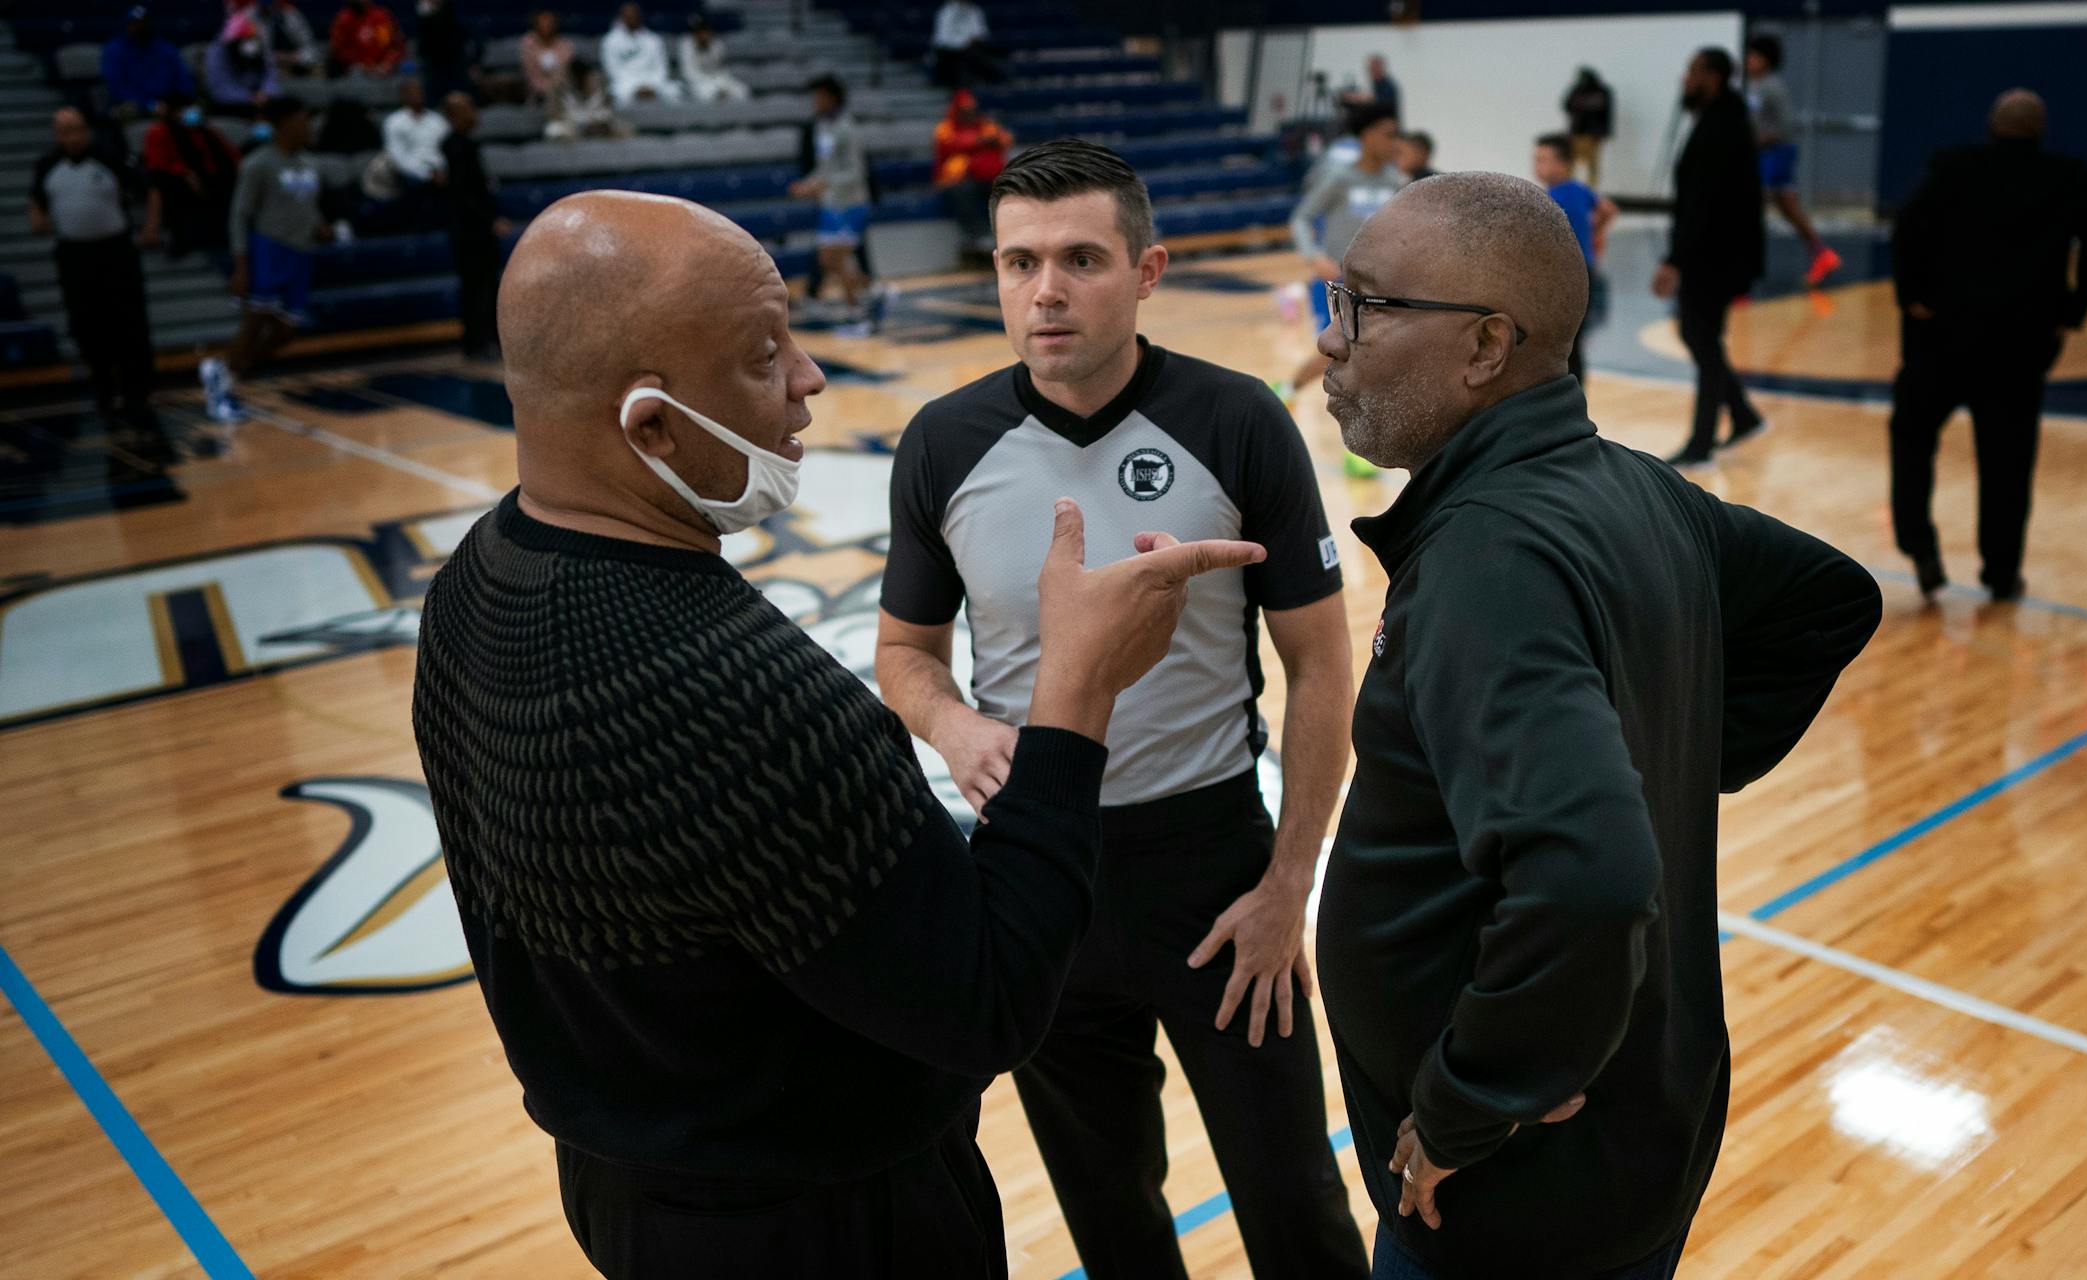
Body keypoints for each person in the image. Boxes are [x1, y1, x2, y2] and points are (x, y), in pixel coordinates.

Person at [409, 187, 1264, 1278]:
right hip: (830, 1222)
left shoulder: (474, 580)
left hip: (624, 1184)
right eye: (766, 357)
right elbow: (990, 1000)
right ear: (652, 423)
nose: (810, 381)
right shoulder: (748, 703)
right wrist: (1076, 692)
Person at [1310, 171, 1881, 1280]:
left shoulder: (1491, 559)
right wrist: (1667, 750)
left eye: (1366, 306)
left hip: (1512, 1194)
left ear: (1485, 346)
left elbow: (1590, 874)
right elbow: (1828, 596)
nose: (1333, 341)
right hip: (1638, 1133)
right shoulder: (1634, 485)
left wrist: (1474, 1100)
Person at [876, 137, 1367, 1280]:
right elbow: (905, 651)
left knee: (1296, 1200)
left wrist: (1289, 882)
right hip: (1037, 871)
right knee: (1110, 1210)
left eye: (1081, 258)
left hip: (1217, 866)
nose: (1045, 290)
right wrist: (953, 726)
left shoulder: (1238, 418)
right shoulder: (944, 442)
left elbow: (1324, 667)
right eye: (1018, 262)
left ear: (1148, 271)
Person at [1888, 88, 2087, 604]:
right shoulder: (2069, 177)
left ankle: (1920, 548)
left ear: (1992, 124)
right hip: (2019, 346)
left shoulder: (1952, 166)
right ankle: (2001, 573)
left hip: (1940, 337)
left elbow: (1908, 226)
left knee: (1912, 439)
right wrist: (2070, 315)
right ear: (2040, 131)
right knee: (2008, 464)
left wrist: (1913, 297)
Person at [27, 107, 165, 458]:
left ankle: (138, 394)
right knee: (87, 327)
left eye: (76, 129)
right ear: (56, 135)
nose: (71, 137)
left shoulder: (109, 158)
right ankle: (105, 393)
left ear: (86, 129)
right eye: (64, 131)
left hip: (116, 252)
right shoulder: (47, 165)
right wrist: (38, 218)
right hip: (74, 256)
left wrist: (150, 228)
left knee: (130, 324)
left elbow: (150, 190)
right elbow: (35, 200)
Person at [1654, 47, 1766, 470]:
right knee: (1701, 337)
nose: (1685, 79)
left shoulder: (1720, 127)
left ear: (1713, 77)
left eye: (1692, 71)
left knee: (1701, 338)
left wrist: (1675, 260)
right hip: (1719, 253)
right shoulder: (1724, 118)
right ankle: (1742, 414)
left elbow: (1704, 203)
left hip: (1714, 255)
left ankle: (1701, 444)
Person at [201, 96, 329, 424]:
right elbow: (239, 215)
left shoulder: (310, 164)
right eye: (304, 119)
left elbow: (309, 207)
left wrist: (320, 226)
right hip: (269, 250)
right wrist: (241, 265)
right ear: (285, 124)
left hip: (301, 254)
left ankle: (226, 369)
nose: (309, 127)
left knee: (287, 330)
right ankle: (223, 386)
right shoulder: (258, 163)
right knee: (255, 320)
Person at [1278, 101, 1405, 421]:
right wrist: (1313, 256)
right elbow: (1300, 219)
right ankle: (1288, 389)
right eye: (1388, 135)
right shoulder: (1338, 178)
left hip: (1377, 286)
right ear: (1367, 136)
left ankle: (1360, 433)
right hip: (1335, 284)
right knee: (1337, 353)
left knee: (1365, 355)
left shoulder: (1396, 182)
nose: (1395, 143)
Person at [789, 74, 885, 335]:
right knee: (828, 260)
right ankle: (875, 294)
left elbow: (855, 171)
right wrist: (808, 184)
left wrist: (825, 184)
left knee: (838, 259)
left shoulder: (847, 128)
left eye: (819, 96)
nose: (814, 101)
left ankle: (860, 313)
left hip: (850, 203)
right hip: (832, 204)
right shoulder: (822, 127)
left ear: (832, 98)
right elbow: (825, 168)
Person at [1745, 34, 1839, 287]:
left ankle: (1744, 263)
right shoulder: (1755, 86)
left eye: (1753, 56)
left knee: (1751, 206)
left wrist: (1760, 140)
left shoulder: (1771, 87)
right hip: (1771, 153)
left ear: (1766, 60)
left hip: (1776, 153)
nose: (1748, 61)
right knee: (1788, 208)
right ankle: (1822, 253)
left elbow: (1786, 125)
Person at [1533, 133, 1615, 382]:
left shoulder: (1552, 198)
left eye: (1543, 159)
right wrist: (1594, 233)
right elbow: (1608, 210)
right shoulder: (1580, 190)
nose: (1537, 166)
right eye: (1536, 159)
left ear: (1563, 163)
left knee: (1564, 347)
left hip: (1567, 277)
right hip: (1584, 271)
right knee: (1573, 345)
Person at [439, 92, 511, 358]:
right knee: (475, 286)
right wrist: (490, 219)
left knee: (487, 284)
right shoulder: (455, 147)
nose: (474, 113)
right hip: (469, 230)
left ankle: (487, 338)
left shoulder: (466, 144)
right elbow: (464, 193)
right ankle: (477, 341)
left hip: (475, 228)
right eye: (468, 108)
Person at [140, 92, 241, 259]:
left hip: (215, 180)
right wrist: (185, 173)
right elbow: (157, 164)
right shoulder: (159, 132)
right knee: (164, 183)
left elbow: (232, 155)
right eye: (184, 109)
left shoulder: (206, 131)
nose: (191, 112)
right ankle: (173, 237)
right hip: (180, 182)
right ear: (173, 112)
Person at [930, 88, 1009, 255]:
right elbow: (949, 145)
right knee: (963, 191)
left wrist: (982, 142)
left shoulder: (985, 124)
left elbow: (1004, 139)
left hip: (986, 177)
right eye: (964, 110)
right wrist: (979, 142)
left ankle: (1006, 233)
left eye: (971, 109)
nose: (968, 113)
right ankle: (976, 236)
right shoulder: (945, 127)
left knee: (1006, 189)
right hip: (955, 181)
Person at [101, 7, 196, 120]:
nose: (140, 27)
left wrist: (186, 100)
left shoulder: (164, 47)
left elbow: (182, 78)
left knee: (194, 115)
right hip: (134, 103)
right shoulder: (114, 50)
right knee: (126, 111)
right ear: (127, 25)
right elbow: (117, 87)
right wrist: (149, 104)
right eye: (135, 24)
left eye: (143, 23)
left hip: (168, 102)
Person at [600, 4, 680, 106]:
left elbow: (661, 68)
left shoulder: (653, 40)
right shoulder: (610, 41)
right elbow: (612, 70)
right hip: (625, 83)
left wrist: (651, 86)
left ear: (640, 17)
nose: (631, 19)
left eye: (634, 15)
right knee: (617, 93)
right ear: (621, 17)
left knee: (674, 91)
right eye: (628, 16)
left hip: (651, 81)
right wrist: (635, 88)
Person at [204, 19, 280, 118]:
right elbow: (220, 89)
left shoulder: (258, 45)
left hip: (262, 100)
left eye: (251, 38)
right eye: (243, 39)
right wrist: (249, 98)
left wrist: (266, 93)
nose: (248, 42)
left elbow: (271, 75)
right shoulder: (216, 54)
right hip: (232, 104)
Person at [383, 78, 449, 188]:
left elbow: (448, 148)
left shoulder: (437, 120)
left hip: (442, 170)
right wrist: (426, 174)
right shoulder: (394, 122)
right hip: (411, 174)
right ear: (402, 96)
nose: (417, 95)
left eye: (419, 92)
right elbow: (397, 156)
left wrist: (443, 170)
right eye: (411, 93)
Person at [544, 60, 630, 141]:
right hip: (573, 127)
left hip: (596, 125)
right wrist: (555, 89)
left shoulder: (599, 88)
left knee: (622, 128)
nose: (590, 81)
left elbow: (607, 113)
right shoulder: (562, 91)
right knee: (554, 130)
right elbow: (555, 116)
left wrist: (596, 123)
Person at [414, 0, 478, 106]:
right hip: (433, 68)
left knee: (460, 103)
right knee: (434, 103)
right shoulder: (424, 15)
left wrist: (474, 62)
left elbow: (475, 39)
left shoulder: (455, 15)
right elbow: (423, 42)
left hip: (455, 67)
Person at [676, 16, 748, 104]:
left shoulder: (718, 44)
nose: (703, 35)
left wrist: (721, 87)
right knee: (706, 94)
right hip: (697, 83)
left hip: (718, 80)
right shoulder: (686, 45)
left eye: (705, 31)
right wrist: (715, 89)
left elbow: (722, 69)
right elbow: (688, 72)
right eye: (700, 32)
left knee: (742, 91)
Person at [930, 0, 999, 88]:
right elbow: (942, 39)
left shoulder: (975, 11)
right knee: (965, 58)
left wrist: (970, 42)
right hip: (948, 52)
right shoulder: (946, 12)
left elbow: (981, 33)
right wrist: (963, 44)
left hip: (970, 50)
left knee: (977, 53)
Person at [328, 0, 406, 77]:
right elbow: (338, 50)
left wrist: (387, 63)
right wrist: (362, 65)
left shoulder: (382, 17)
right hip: (353, 71)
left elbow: (396, 46)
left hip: (384, 69)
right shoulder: (343, 19)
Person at [1563, 67, 1612, 188]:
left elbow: (1604, 111)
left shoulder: (1600, 92)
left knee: (1591, 164)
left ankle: (1590, 189)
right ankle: (1570, 187)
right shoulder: (1577, 90)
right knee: (1571, 162)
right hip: (1577, 132)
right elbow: (1567, 105)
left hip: (1592, 134)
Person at [520, 9, 576, 104]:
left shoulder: (565, 45)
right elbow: (531, 74)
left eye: (549, 23)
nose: (546, 26)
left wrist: (555, 90)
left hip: (562, 91)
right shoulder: (528, 44)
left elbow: (565, 72)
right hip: (537, 94)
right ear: (535, 25)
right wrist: (546, 90)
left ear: (555, 24)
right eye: (542, 22)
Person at [260, 0, 321, 78]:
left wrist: (294, 58)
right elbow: (254, 53)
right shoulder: (251, 16)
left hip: (297, 68)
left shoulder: (292, 16)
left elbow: (312, 50)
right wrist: (274, 58)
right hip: (265, 71)